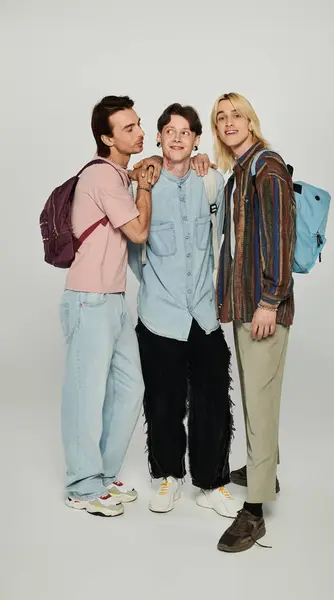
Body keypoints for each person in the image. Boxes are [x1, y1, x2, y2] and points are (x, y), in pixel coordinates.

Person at [130, 103, 239, 518]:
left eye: (185, 132)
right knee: (163, 400)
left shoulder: (210, 179)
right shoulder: (143, 182)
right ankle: (166, 476)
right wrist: (156, 288)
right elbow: (133, 250)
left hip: (204, 312)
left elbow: (222, 234)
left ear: (196, 140)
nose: (177, 137)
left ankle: (212, 482)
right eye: (168, 131)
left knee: (212, 398)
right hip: (160, 313)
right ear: (158, 137)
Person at [60, 95, 161, 517]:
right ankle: (82, 485)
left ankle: (102, 474)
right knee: (86, 393)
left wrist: (142, 171)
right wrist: (145, 185)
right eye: (129, 129)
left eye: (138, 124)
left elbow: (146, 164)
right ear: (106, 138)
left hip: (114, 300)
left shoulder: (117, 173)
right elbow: (138, 232)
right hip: (89, 299)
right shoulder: (103, 177)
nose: (139, 133)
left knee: (131, 387)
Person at [210, 92, 296, 551]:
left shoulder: (267, 168)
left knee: (259, 404)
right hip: (243, 306)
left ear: (251, 119)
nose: (228, 122)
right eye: (220, 117)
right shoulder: (239, 172)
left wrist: (269, 300)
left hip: (262, 307)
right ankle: (266, 468)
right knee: (254, 397)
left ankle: (255, 511)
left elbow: (281, 237)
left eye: (235, 114)